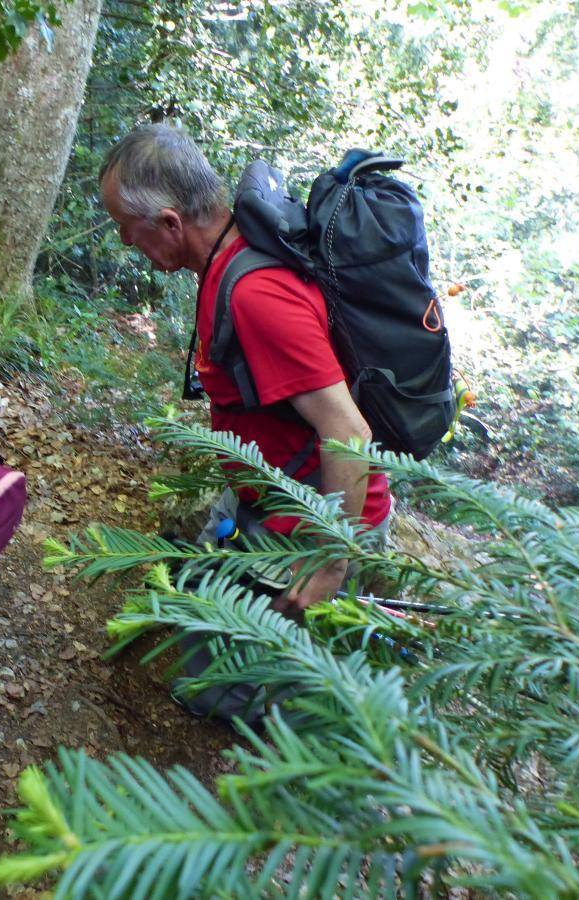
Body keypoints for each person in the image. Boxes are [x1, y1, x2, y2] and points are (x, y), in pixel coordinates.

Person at [99, 125, 392, 668]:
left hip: (319, 530)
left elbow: (348, 431)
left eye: (126, 229)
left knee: (219, 686)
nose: (124, 243)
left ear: (170, 222)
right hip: (275, 504)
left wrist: (331, 563)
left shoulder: (257, 295)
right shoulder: (226, 262)